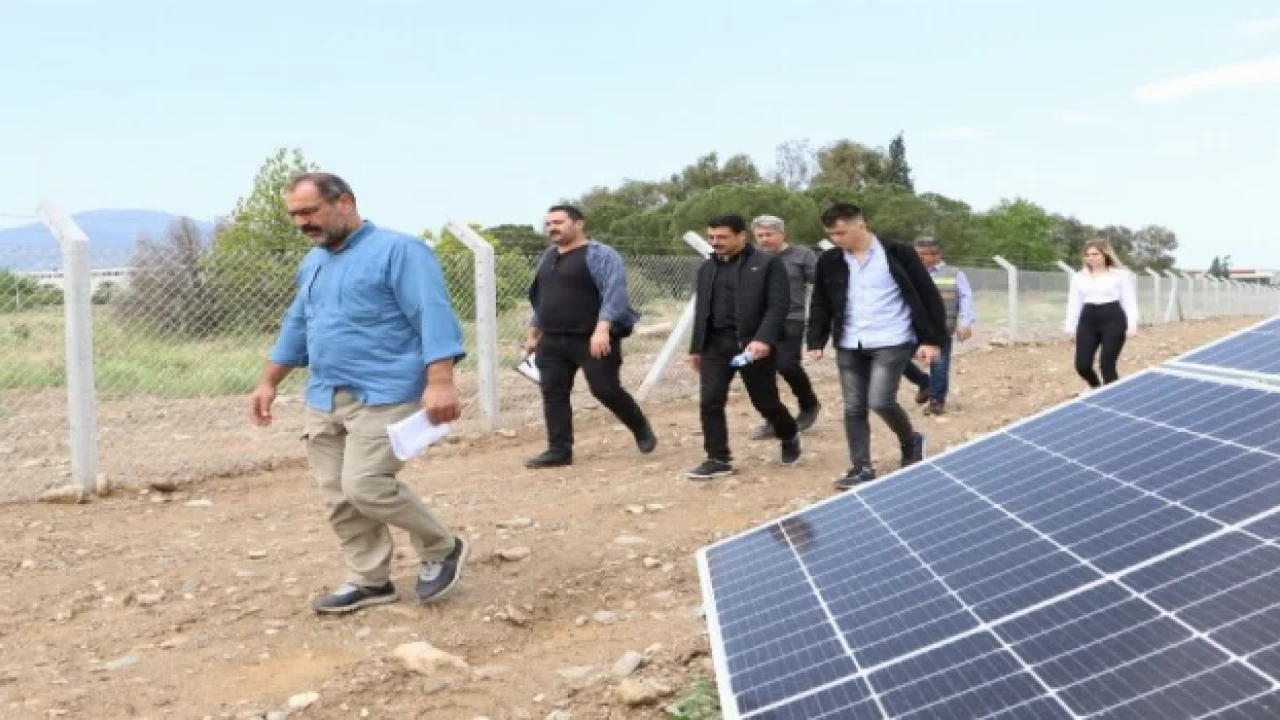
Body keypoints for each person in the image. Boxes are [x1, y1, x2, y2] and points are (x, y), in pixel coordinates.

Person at [249, 172, 469, 615]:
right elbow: (298, 324)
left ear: (344, 202)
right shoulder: (313, 263)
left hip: (387, 390)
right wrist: (269, 381)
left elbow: (431, 312)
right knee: (338, 495)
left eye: (309, 211)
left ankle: (441, 547)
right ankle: (370, 580)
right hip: (325, 394)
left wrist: (441, 380)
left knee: (365, 485)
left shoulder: (400, 250)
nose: (302, 223)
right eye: (294, 215)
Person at [807, 203, 947, 491]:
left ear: (861, 225)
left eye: (841, 233)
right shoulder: (830, 260)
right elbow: (821, 300)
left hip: (892, 339)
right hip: (849, 341)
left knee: (880, 401)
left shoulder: (898, 253)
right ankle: (861, 467)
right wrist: (816, 340)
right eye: (831, 234)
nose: (836, 239)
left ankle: (911, 441)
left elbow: (928, 296)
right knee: (853, 407)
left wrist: (932, 340)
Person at [520, 204, 656, 469]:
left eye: (558, 222)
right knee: (553, 393)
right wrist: (533, 335)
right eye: (548, 224)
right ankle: (559, 450)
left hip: (591, 338)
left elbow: (614, 293)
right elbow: (543, 299)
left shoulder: (602, 255)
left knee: (605, 389)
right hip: (552, 339)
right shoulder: (548, 256)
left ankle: (640, 426)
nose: (552, 228)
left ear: (579, 223)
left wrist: (602, 329)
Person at [686, 214, 802, 480]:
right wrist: (696, 347)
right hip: (715, 346)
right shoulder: (706, 269)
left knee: (765, 402)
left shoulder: (767, 264)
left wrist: (763, 339)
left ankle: (789, 434)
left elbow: (778, 305)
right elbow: (701, 311)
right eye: (711, 237)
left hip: (751, 346)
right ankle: (718, 458)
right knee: (710, 401)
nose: (715, 242)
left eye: (722, 237)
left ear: (741, 236)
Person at [749, 215, 821, 439]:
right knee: (761, 371)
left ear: (782, 233)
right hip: (759, 321)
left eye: (769, 234)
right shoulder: (751, 256)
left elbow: (821, 283)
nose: (764, 239)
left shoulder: (802, 255)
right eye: (760, 235)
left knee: (787, 365)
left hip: (792, 318)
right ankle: (775, 419)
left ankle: (809, 404)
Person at [901, 236, 976, 415]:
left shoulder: (954, 274)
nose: (919, 258)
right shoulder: (909, 272)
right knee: (896, 357)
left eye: (923, 254)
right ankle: (923, 382)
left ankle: (936, 400)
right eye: (916, 254)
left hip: (940, 329)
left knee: (939, 365)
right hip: (912, 327)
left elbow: (966, 298)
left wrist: (965, 323)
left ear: (938, 255)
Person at [1064, 238, 1139, 388]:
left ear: (1105, 254)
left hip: (1113, 319)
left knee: (1107, 365)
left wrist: (1132, 325)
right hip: (1088, 320)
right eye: (1088, 255)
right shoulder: (1079, 277)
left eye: (1095, 254)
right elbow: (1074, 303)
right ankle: (1096, 388)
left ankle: (1113, 396)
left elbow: (1129, 301)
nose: (1091, 258)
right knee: (1082, 366)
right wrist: (1070, 328)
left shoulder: (1120, 275)